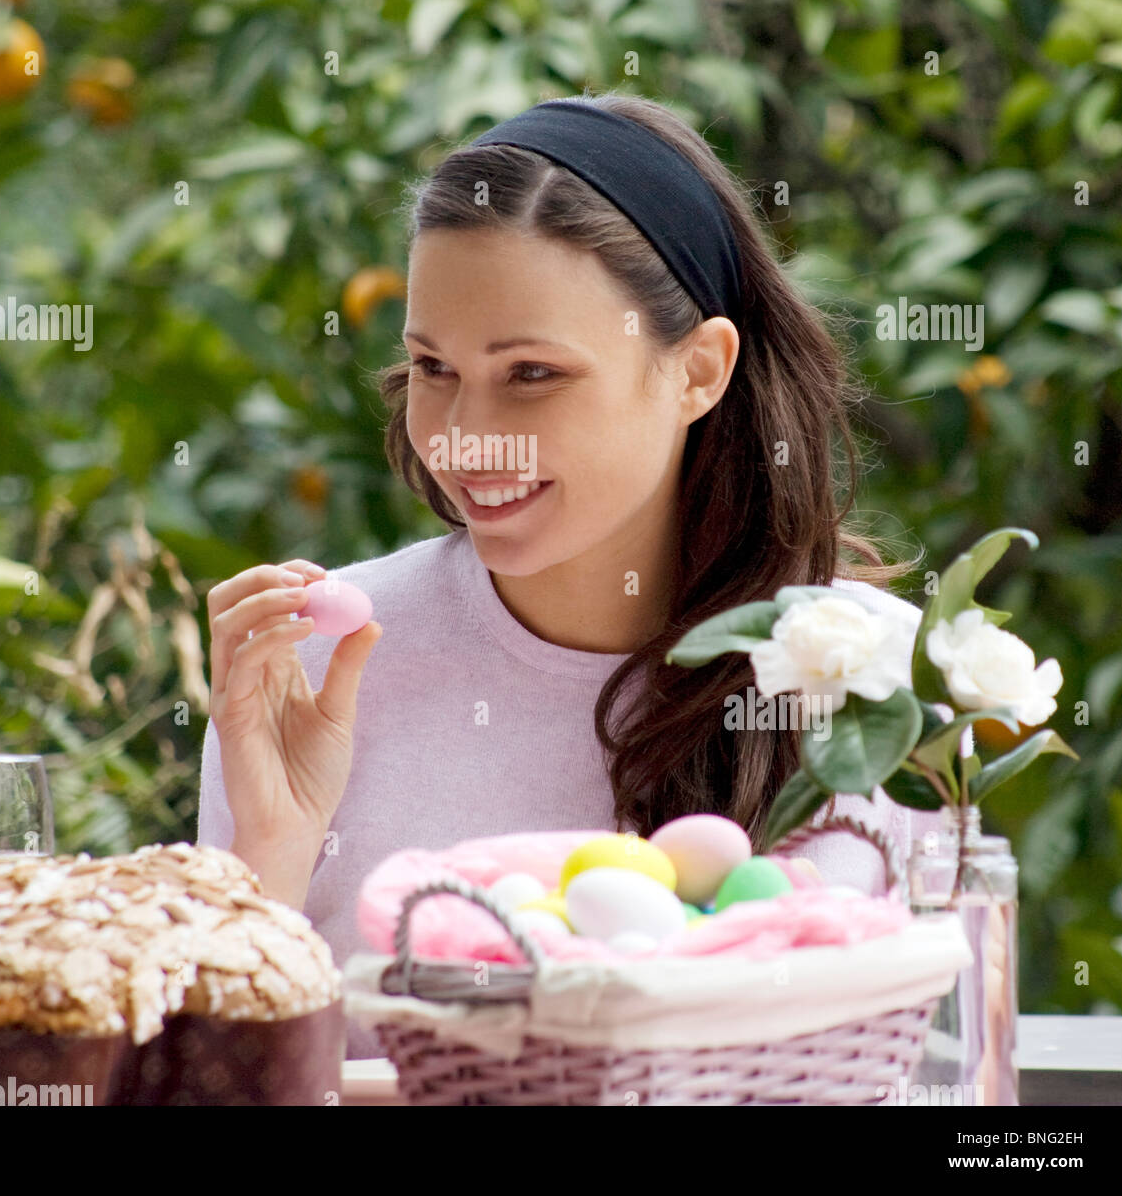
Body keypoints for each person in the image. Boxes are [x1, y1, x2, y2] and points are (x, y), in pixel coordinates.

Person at [197, 91, 944, 1059]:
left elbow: (917, 1068)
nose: (462, 434)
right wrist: (270, 856)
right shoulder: (318, 661)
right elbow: (212, 1088)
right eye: (432, 368)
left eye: (531, 374)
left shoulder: (858, 676)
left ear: (698, 371)